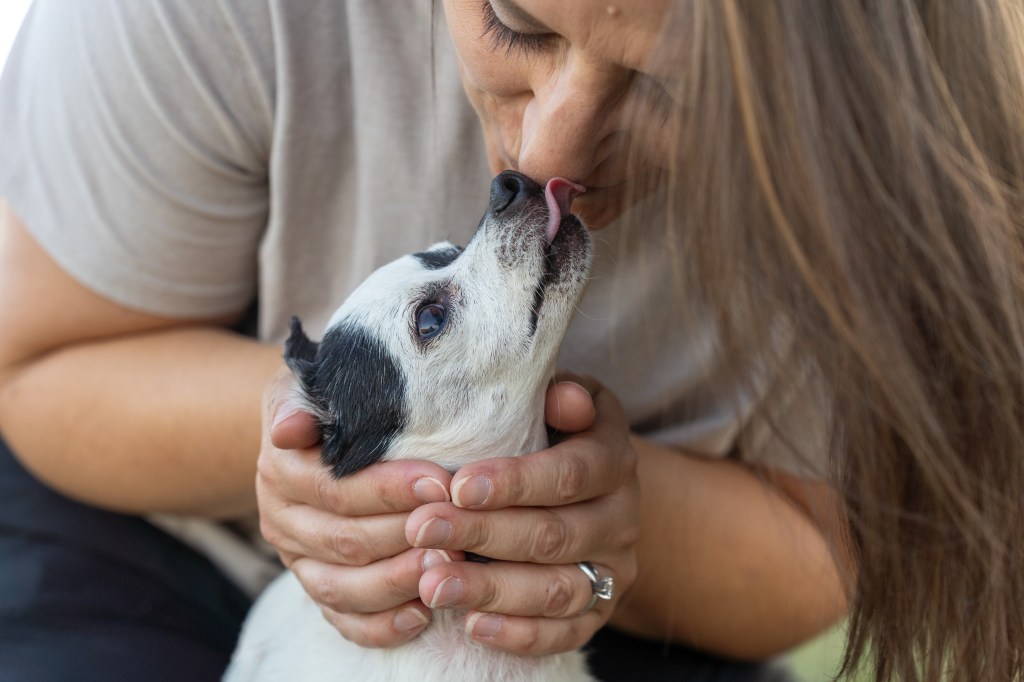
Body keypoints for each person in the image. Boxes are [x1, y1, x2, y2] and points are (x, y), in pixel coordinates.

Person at [0, 3, 1020, 682]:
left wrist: (597, 517)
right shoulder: (185, 19)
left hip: (642, 620)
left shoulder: (937, 150)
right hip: (142, 540)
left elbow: (828, 551)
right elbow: (39, 362)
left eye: (667, 89)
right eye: (513, 23)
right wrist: (321, 465)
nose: (546, 156)